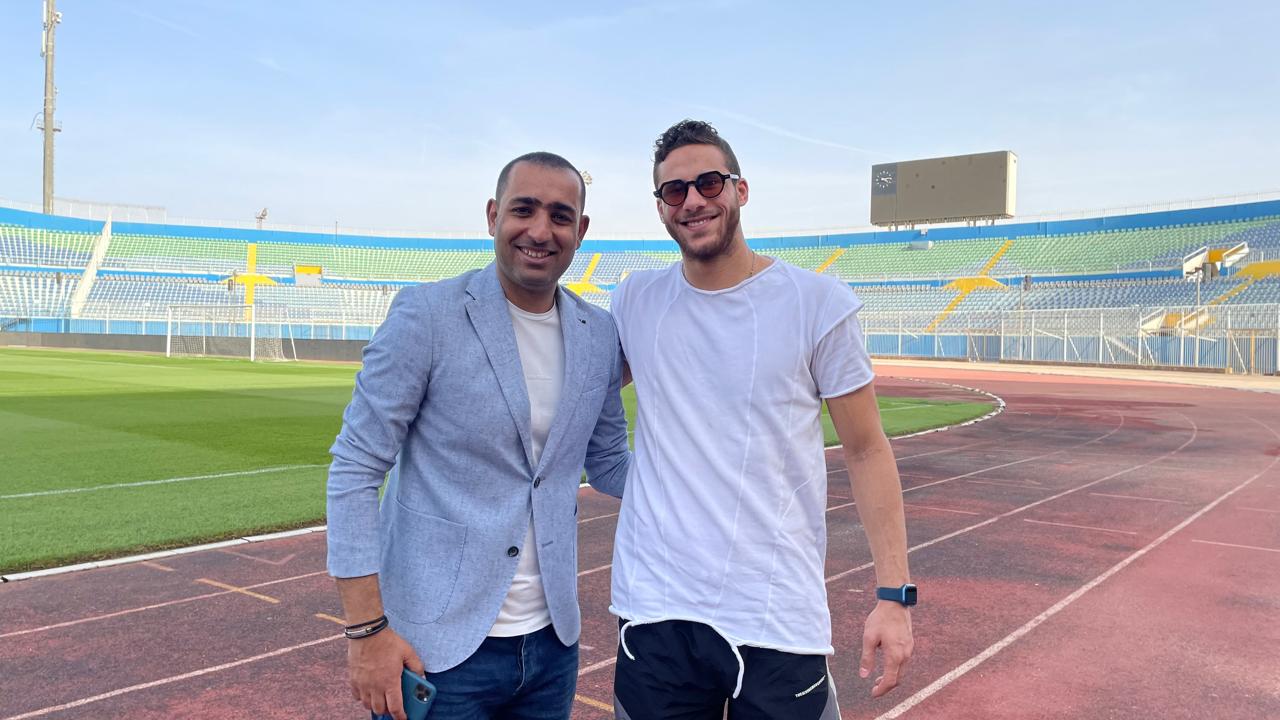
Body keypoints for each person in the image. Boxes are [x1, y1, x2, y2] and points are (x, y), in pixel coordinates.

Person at [608, 120, 915, 719]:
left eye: (709, 183)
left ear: (740, 190)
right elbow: (568, 392)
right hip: (655, 609)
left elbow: (866, 450)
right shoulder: (635, 301)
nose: (693, 200)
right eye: (674, 190)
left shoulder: (817, 304)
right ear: (660, 207)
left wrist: (894, 595)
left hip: (774, 613)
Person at [326, 151, 631, 720]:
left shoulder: (598, 333)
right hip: (436, 650)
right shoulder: (427, 315)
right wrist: (365, 630)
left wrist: (710, 478)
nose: (540, 230)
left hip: (552, 647)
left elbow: (611, 463)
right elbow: (355, 469)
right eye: (524, 209)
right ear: (493, 215)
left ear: (581, 230)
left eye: (560, 216)